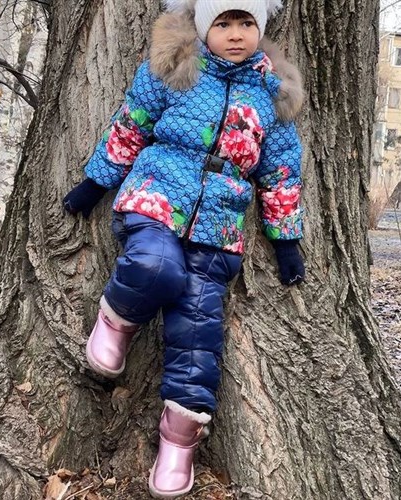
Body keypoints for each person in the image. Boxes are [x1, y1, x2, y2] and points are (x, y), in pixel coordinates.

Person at [63, 0, 305, 497]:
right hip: (156, 196)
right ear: (202, 25)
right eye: (223, 22)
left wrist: (286, 240)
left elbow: (281, 172)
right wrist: (95, 182)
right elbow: (132, 123)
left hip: (218, 225)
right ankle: (117, 320)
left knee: (199, 332)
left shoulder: (271, 95)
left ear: (260, 27)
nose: (235, 34)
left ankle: (178, 443)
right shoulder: (176, 66)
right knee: (156, 267)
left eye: (246, 23)